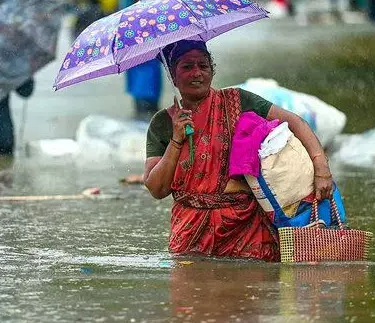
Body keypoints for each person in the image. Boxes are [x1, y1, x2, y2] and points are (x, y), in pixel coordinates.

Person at [142, 40, 333, 262]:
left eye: (203, 66)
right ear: (173, 76)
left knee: (246, 290)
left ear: (212, 71)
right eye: (187, 67)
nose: (197, 73)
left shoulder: (237, 101)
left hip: (247, 229)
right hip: (190, 236)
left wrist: (321, 168)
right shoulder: (162, 123)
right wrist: (177, 140)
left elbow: (296, 123)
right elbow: (157, 189)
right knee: (191, 293)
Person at [125, 0, 162, 120]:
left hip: (141, 76)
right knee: (150, 114)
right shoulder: (157, 15)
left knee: (143, 115)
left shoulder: (129, 16)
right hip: (147, 75)